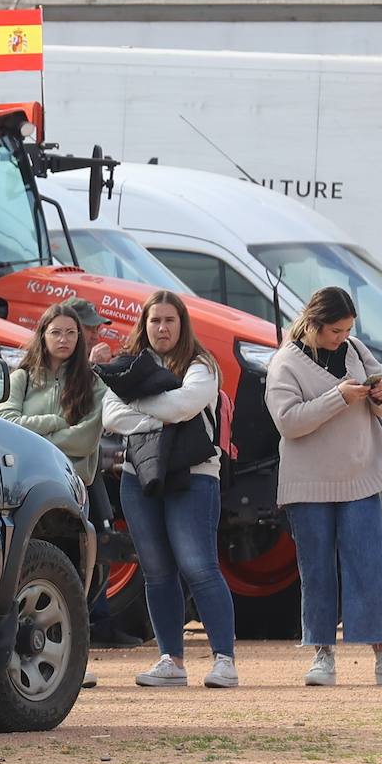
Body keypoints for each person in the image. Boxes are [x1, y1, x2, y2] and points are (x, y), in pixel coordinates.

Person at [264, 286, 382, 687]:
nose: (343, 337)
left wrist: (380, 396)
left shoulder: (355, 350)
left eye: (348, 329)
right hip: (308, 483)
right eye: (336, 330)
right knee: (316, 571)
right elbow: (288, 422)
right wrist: (338, 398)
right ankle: (322, 653)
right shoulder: (285, 362)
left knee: (369, 566)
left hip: (360, 476)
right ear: (314, 325)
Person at [100, 290, 238, 689]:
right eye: (155, 320)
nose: (162, 328)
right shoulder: (126, 365)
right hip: (136, 475)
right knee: (157, 572)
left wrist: (140, 408)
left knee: (199, 567)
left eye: (169, 321)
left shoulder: (202, 365)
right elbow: (111, 416)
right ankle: (171, 660)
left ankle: (224, 659)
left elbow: (186, 406)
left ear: (183, 324)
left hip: (194, 475)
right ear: (144, 324)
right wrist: (159, 420)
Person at [0, 303, 108, 686]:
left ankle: (74, 660)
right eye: (56, 332)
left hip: (71, 492)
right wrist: (56, 421)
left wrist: (38, 437)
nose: (64, 340)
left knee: (72, 577)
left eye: (71, 333)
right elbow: (5, 420)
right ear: (42, 335)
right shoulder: (22, 377)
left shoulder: (92, 383)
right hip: (25, 490)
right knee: (24, 573)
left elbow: (88, 436)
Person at [61, 297, 141, 651]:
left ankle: (99, 621)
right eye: (90, 327)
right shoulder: (53, 371)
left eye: (95, 327)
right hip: (68, 471)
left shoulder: (88, 369)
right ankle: (86, 624)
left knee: (100, 541)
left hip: (91, 469)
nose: (96, 333)